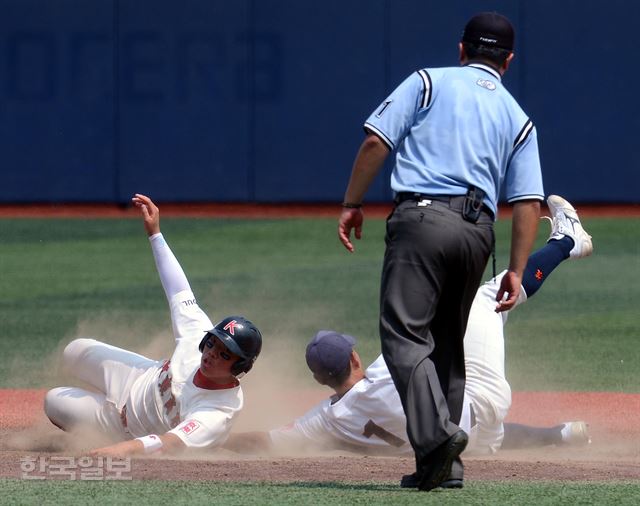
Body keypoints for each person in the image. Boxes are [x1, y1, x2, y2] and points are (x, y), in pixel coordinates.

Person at [228, 196, 592, 485]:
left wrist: (207, 440)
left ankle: (562, 435)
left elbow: (268, 439)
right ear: (354, 358)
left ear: (319, 380)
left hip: (465, 444)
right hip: (482, 401)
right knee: (490, 295)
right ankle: (568, 240)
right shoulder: (386, 370)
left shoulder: (328, 420)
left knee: (471, 424)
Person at [337, 12, 545, 490]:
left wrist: (352, 203)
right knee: (448, 350)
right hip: (478, 234)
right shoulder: (518, 117)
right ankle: (443, 468)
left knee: (404, 337)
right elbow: (529, 201)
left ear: (461, 49)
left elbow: (375, 141)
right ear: (508, 61)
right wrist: (515, 270)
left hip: (423, 220)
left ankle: (436, 441)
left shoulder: (427, 82)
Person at [44, 194, 263, 457]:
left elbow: (167, 443)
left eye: (224, 354)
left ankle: (100, 423)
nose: (212, 353)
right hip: (137, 375)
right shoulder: (196, 336)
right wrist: (155, 234)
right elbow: (178, 290)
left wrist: (119, 450)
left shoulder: (216, 413)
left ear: (239, 367)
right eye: (213, 343)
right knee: (74, 351)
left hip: (124, 427)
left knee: (53, 400)